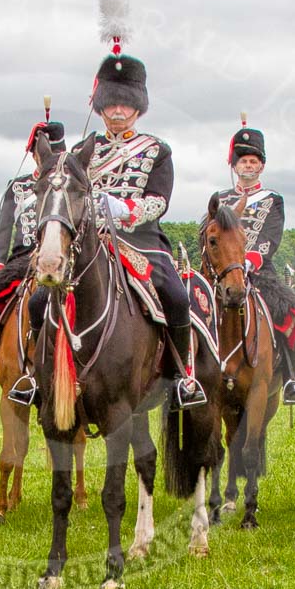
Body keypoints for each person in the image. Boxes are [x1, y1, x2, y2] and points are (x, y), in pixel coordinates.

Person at [69, 40, 207, 408]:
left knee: (177, 297)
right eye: (111, 102)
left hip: (141, 240)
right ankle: (35, 376)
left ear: (138, 107)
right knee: (39, 297)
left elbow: (159, 201)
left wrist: (121, 207)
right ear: (99, 105)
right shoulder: (82, 150)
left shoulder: (156, 150)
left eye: (125, 103)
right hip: (88, 240)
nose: (117, 111)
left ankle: (182, 378)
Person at [0, 110, 66, 399]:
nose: (46, 158)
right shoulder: (18, 187)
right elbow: (3, 232)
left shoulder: (72, 180)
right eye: (42, 153)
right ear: (35, 155)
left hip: (63, 257)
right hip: (23, 259)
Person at [209, 121, 295, 404]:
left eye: (254, 161)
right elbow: (208, 233)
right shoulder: (221, 199)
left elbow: (271, 236)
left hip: (259, 270)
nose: (248, 166)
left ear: (261, 166)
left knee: (290, 312)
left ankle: (290, 379)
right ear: (234, 165)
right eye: (243, 161)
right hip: (222, 271)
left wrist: (251, 259)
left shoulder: (272, 200)